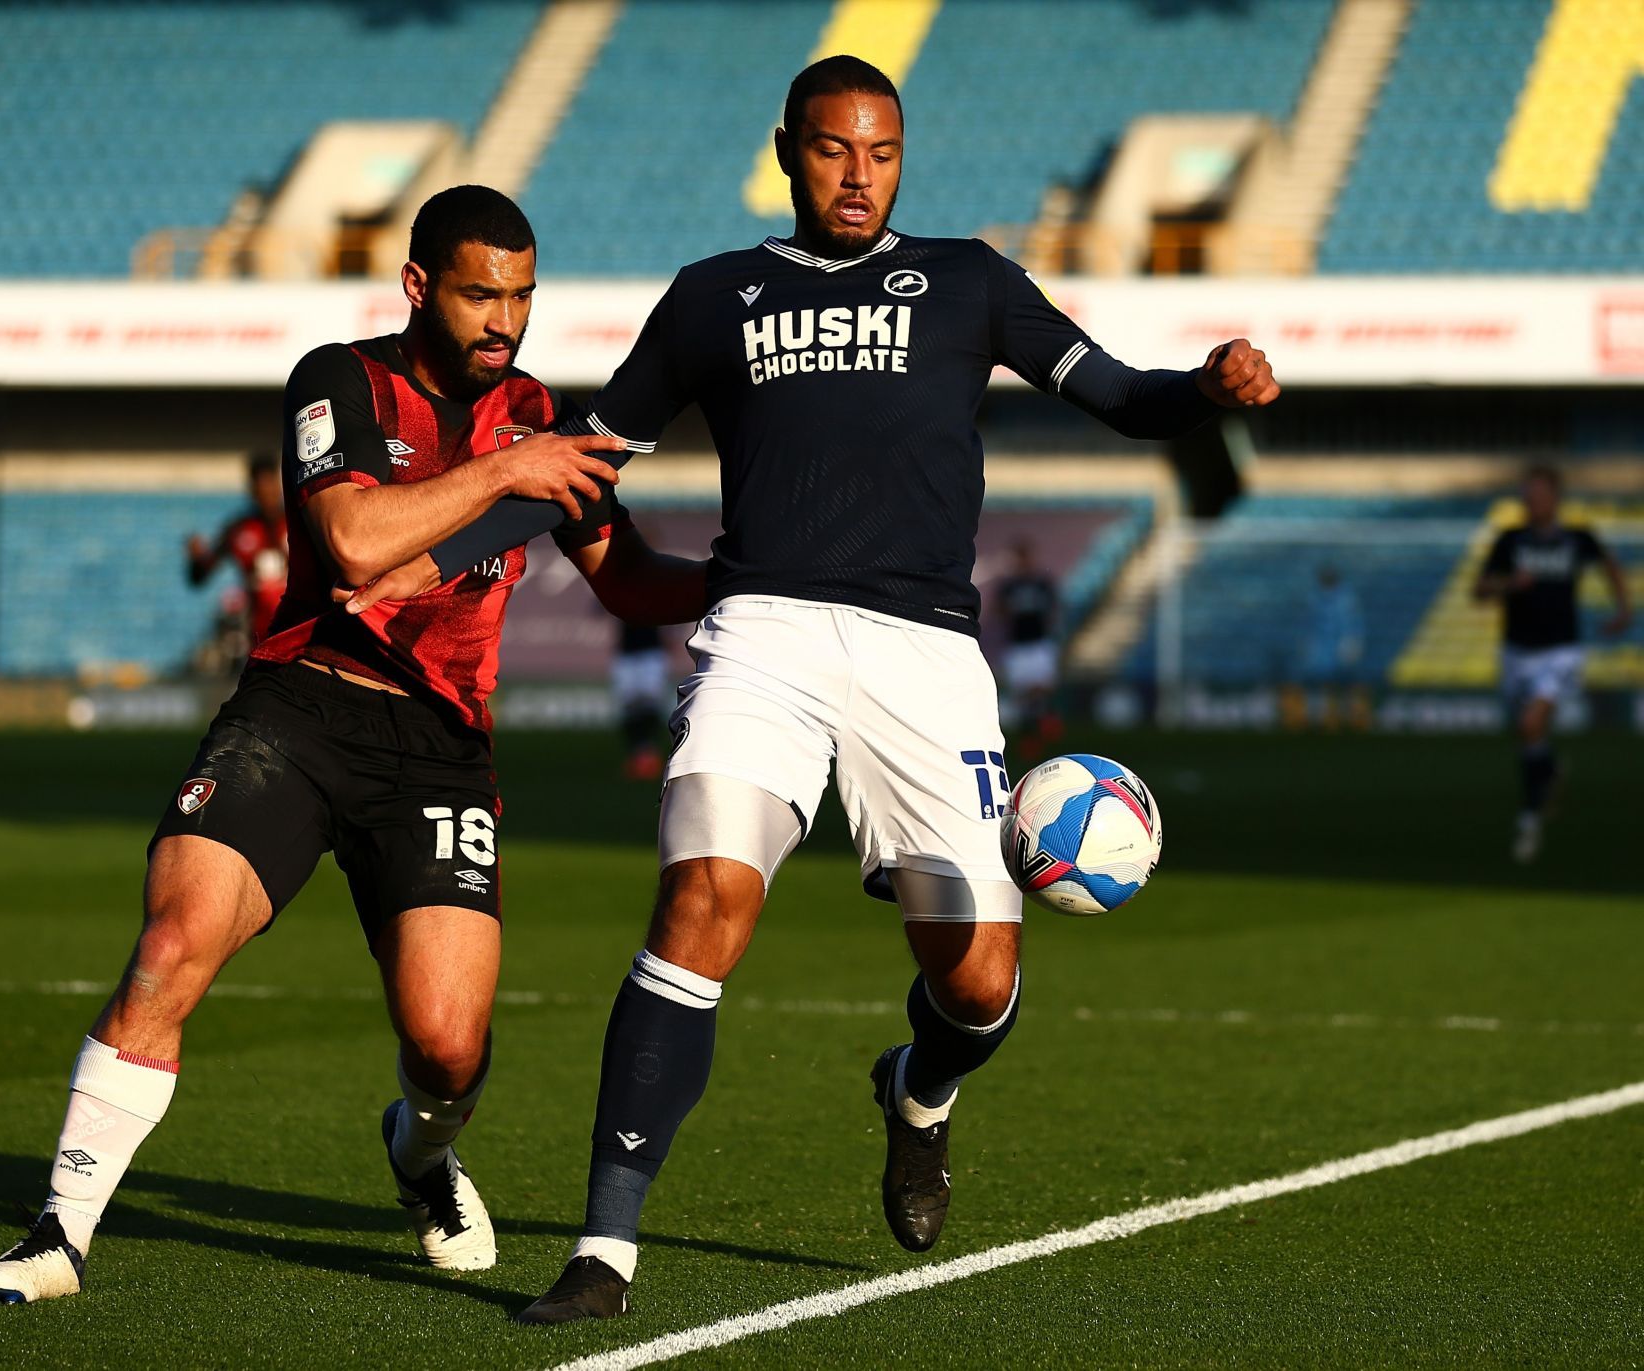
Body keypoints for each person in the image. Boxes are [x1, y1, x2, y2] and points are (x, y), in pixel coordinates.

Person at [366, 57, 1280, 1322]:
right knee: (701, 901)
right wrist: (432, 555)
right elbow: (578, 463)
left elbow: (1122, 397)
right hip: (765, 637)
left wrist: (1207, 390)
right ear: (789, 150)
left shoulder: (971, 282)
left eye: (884, 152)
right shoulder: (712, 298)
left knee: (976, 984)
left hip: (926, 658)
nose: (861, 174)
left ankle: (919, 1090)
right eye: (837, 149)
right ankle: (603, 1252)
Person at [0, 185, 705, 1302]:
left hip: (441, 751)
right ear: (418, 287)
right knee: (172, 948)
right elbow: (353, 543)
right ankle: (56, 1237)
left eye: (521, 295)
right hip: (296, 715)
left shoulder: (540, 410)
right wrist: (509, 469)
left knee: (450, 1050)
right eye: (477, 294)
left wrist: (745, 573)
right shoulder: (341, 382)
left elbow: (629, 582)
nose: (504, 319)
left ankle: (421, 1152)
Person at [1472, 465, 1630, 863]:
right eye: (1527, 494)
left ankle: (1529, 820)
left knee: (1530, 724)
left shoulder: (1577, 538)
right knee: (1528, 735)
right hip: (1516, 650)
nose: (1531, 501)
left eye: (1538, 494)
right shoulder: (1510, 540)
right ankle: (1550, 768)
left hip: (1561, 650)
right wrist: (1509, 584)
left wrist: (1623, 607)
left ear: (1554, 498)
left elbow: (1610, 565)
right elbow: (1480, 589)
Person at [186, 451, 290, 653]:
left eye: (271, 487)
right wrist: (196, 560)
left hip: (297, 629)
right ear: (252, 491)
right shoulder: (238, 529)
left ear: (279, 487)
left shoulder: (299, 523)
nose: (267, 495)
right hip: (258, 634)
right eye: (261, 489)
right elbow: (199, 577)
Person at [991, 537, 1063, 758]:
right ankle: (1032, 738)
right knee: (1024, 693)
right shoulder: (1008, 586)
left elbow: (1054, 609)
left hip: (1039, 642)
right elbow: (998, 611)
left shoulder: (1042, 583)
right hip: (1018, 645)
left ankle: (1044, 727)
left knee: (1041, 688)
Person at [1296, 565, 1364, 729]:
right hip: (1320, 651)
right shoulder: (1314, 598)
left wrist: (1353, 642)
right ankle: (1315, 720)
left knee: (1343, 686)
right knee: (1317, 685)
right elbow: (1307, 625)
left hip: (1339, 649)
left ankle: (1346, 719)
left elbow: (1354, 624)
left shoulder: (1346, 598)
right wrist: (1306, 644)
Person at [614, 620, 671, 779]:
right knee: (630, 706)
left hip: (651, 651)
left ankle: (649, 754)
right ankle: (636, 755)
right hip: (627, 651)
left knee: (650, 704)